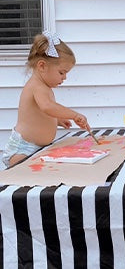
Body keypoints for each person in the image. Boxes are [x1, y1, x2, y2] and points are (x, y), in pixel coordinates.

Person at [2, 31, 91, 168]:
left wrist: (56, 120)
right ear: (42, 66)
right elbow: (47, 107)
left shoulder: (43, 86)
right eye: (61, 72)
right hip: (23, 150)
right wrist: (74, 115)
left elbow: (40, 114)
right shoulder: (37, 86)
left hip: (37, 148)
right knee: (25, 181)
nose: (64, 78)